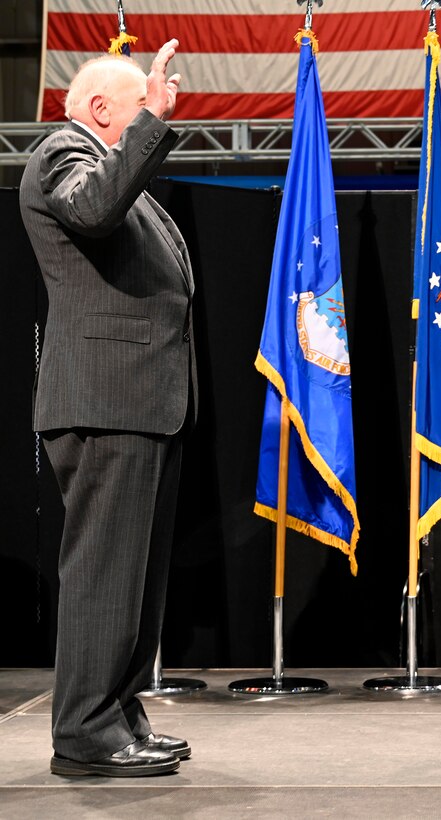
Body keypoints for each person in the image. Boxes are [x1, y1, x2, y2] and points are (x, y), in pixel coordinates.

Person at [19, 40, 197, 777]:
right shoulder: (64, 153)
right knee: (103, 576)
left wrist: (145, 129)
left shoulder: (110, 168)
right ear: (100, 110)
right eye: (141, 106)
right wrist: (151, 123)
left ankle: (119, 717)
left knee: (135, 583)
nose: (160, 113)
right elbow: (92, 211)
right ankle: (86, 736)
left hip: (140, 403)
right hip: (105, 401)